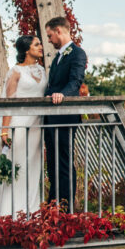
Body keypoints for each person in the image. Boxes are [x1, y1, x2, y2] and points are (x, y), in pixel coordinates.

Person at [0, 35, 47, 218]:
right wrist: (5, 131)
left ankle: (31, 212)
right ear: (27, 49)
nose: (41, 47)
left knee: (33, 169)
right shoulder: (15, 72)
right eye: (37, 44)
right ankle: (8, 214)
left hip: (36, 128)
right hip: (18, 126)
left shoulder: (42, 71)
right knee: (17, 169)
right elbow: (9, 103)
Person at [44, 16, 87, 209]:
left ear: (59, 31)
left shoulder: (77, 53)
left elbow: (75, 81)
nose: (49, 39)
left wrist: (62, 95)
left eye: (50, 35)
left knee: (64, 162)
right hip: (51, 117)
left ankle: (66, 208)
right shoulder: (57, 58)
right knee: (52, 163)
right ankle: (53, 205)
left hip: (65, 116)